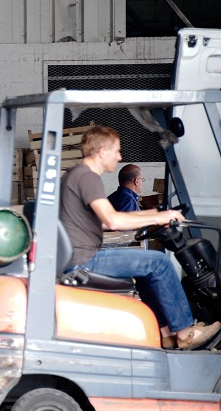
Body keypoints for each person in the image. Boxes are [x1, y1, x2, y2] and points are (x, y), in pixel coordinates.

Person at [59, 126, 220, 350]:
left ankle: (164, 333)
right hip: (84, 261)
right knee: (160, 262)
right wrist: (159, 216)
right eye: (116, 151)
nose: (120, 157)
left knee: (145, 267)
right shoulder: (87, 178)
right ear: (103, 151)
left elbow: (105, 220)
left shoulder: (77, 175)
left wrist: (155, 216)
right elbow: (113, 221)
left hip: (80, 257)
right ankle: (185, 332)